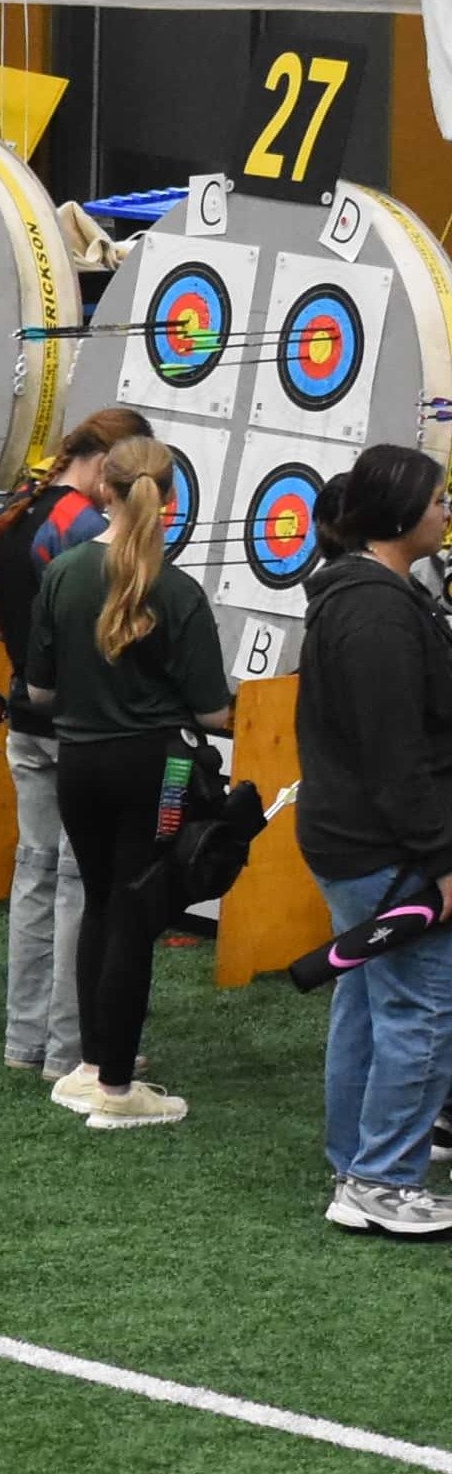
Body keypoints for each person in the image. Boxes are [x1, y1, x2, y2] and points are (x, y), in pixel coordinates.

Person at [18, 437, 228, 1128]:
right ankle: (115, 1087)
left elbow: (40, 690)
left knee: (102, 903)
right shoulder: (179, 590)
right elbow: (213, 712)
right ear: (170, 499)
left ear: (102, 490)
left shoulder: (65, 572)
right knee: (135, 913)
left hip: (79, 762)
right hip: (157, 767)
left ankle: (89, 1068)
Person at [296, 445, 452, 1233]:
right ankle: (383, 1178)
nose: (445, 511)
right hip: (383, 846)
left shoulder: (366, 594)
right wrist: (442, 857)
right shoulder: (377, 613)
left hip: (357, 838)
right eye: (437, 500)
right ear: (399, 513)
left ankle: (359, 1164)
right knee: (420, 1007)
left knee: (367, 1000)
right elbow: (396, 757)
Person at [0, 407, 150, 1085]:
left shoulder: (15, 513)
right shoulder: (84, 527)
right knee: (79, 882)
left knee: (35, 874)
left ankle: (24, 1038)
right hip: (79, 728)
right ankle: (71, 1044)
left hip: (26, 714)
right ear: (109, 466)